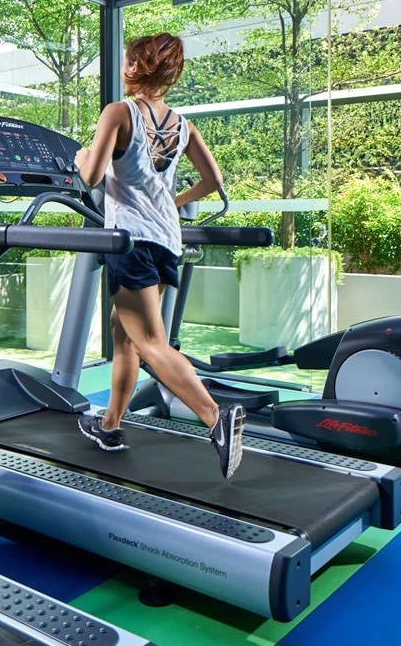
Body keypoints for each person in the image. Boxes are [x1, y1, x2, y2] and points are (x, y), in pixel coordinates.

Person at [73, 32, 245, 479]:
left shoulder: (118, 112)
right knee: (124, 334)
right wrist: (172, 201)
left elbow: (93, 176)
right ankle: (110, 425)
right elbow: (213, 180)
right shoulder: (183, 123)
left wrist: (81, 155)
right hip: (167, 240)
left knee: (150, 343)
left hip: (129, 239)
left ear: (135, 64)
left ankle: (216, 418)